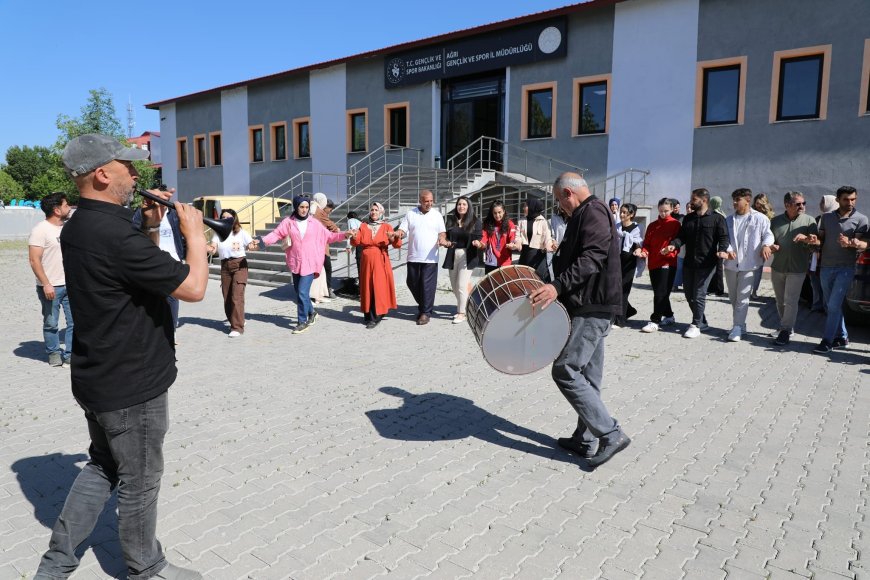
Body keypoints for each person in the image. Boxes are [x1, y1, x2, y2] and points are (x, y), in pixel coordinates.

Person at [35, 133, 208, 580]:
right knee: (141, 480)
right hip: (134, 383)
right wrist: (194, 235)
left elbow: (131, 270)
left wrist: (150, 226)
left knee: (103, 464)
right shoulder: (113, 233)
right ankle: (146, 567)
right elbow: (193, 289)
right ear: (101, 173)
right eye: (128, 167)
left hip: (98, 375)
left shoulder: (79, 225)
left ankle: (57, 562)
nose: (137, 176)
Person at [529, 172, 630, 468]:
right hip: (591, 304)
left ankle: (611, 433)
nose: (561, 208)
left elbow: (592, 257)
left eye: (560, 202)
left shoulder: (594, 211)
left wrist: (557, 286)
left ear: (568, 194)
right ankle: (584, 438)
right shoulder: (588, 213)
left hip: (593, 305)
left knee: (565, 370)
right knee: (588, 376)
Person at [258, 195, 352, 334]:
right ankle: (312, 313)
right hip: (296, 262)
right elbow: (276, 234)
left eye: (307, 207)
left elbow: (329, 236)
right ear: (296, 207)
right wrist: (262, 241)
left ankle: (302, 321)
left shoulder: (314, 223)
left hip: (310, 263)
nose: (304, 210)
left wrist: (344, 235)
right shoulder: (288, 222)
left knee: (302, 292)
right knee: (300, 292)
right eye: (301, 207)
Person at [797, 186, 868, 353]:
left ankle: (827, 341)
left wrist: (852, 244)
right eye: (846, 199)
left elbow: (862, 245)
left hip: (846, 269)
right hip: (826, 268)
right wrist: (813, 240)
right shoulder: (826, 218)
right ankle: (842, 337)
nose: (850, 202)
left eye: (853, 199)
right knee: (830, 306)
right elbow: (821, 240)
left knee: (834, 305)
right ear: (837, 200)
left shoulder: (861, 219)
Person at [664, 188, 729, 338]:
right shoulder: (689, 219)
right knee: (689, 294)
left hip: (707, 264)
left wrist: (723, 250)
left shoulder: (717, 218)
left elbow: (724, 238)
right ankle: (703, 321)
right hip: (689, 263)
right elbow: (682, 237)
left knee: (699, 293)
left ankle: (695, 325)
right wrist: (674, 244)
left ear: (704, 200)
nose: (691, 202)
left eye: (694, 199)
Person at [721, 188, 774, 342]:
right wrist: (728, 249)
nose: (734, 203)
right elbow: (724, 239)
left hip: (750, 264)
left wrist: (766, 245)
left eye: (738, 199)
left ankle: (737, 327)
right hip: (731, 264)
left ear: (747, 200)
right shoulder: (729, 220)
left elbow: (768, 235)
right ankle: (741, 324)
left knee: (743, 297)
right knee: (733, 297)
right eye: (734, 199)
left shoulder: (761, 218)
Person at [28, 192, 74, 367]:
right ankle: (54, 353)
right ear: (56, 210)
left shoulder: (67, 228)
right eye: (65, 205)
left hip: (70, 284)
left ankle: (70, 355)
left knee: (74, 322)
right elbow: (34, 260)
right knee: (51, 323)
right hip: (50, 286)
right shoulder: (40, 230)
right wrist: (46, 284)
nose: (68, 207)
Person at [132, 191, 186, 338]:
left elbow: (181, 235)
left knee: (173, 298)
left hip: (173, 259)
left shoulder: (173, 214)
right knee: (155, 297)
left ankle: (171, 330)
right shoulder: (142, 213)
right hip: (154, 260)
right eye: (160, 199)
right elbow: (137, 232)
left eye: (166, 199)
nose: (163, 202)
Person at [768, 191, 818, 346]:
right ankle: (787, 326)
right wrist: (772, 246)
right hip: (778, 267)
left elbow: (816, 244)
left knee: (791, 301)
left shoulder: (809, 221)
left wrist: (809, 239)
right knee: (780, 301)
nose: (802, 206)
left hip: (798, 268)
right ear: (787, 205)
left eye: (804, 203)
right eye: (798, 204)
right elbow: (769, 241)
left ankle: (785, 330)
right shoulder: (775, 221)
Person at [392, 190, 446, 325]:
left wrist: (442, 239)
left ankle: (425, 313)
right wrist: (398, 233)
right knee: (412, 282)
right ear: (420, 201)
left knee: (427, 286)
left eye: (431, 201)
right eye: (426, 201)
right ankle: (424, 305)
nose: (429, 203)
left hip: (430, 258)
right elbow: (403, 230)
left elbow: (442, 233)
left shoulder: (437, 215)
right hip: (413, 256)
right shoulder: (411, 213)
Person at [206, 209, 258, 337]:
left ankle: (237, 327)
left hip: (240, 265)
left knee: (237, 296)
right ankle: (236, 320)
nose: (225, 219)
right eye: (223, 217)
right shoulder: (218, 233)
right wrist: (199, 242)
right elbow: (213, 250)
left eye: (228, 217)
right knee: (227, 297)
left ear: (234, 219)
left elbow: (252, 245)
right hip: (225, 267)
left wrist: (253, 246)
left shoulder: (241, 233)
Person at [351, 202, 401, 328]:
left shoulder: (386, 226)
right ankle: (368, 315)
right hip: (366, 260)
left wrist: (393, 237)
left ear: (381, 212)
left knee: (378, 287)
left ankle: (377, 315)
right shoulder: (363, 226)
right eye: (372, 210)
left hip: (380, 259)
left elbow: (397, 244)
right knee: (367, 286)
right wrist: (354, 235)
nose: (373, 212)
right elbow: (356, 242)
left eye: (376, 210)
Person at [635, 198, 681, 332]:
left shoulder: (675, 224)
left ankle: (655, 320)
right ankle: (669, 316)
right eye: (661, 211)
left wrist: (670, 251)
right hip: (653, 263)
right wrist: (644, 252)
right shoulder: (652, 225)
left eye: (666, 211)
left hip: (668, 263)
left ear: (672, 209)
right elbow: (647, 243)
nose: (663, 213)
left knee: (661, 292)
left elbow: (677, 243)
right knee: (660, 292)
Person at [442, 196, 482, 323]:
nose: (461, 206)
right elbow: (446, 236)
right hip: (453, 254)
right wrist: (445, 241)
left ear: (468, 206)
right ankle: (470, 306)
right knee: (454, 286)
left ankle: (462, 313)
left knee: (461, 285)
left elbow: (479, 236)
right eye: (459, 204)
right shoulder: (451, 220)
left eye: (464, 204)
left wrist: (477, 242)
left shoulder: (475, 221)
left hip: (467, 254)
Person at [614, 203, 642, 327]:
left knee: (624, 291)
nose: (622, 214)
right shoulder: (617, 227)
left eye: (625, 212)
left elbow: (639, 243)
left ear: (631, 214)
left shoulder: (636, 229)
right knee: (615, 290)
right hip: (616, 262)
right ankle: (629, 310)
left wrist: (639, 250)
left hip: (629, 264)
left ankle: (620, 321)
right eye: (621, 212)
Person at [472, 200, 519, 275]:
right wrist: (479, 244)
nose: (497, 215)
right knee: (490, 286)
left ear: (504, 211)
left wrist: (512, 245)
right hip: (491, 262)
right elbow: (483, 240)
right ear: (492, 213)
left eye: (499, 212)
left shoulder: (510, 224)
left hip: (505, 263)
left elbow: (512, 238)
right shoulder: (487, 224)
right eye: (495, 213)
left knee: (504, 286)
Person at [809, 195, 838, 312]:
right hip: (816, 256)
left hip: (828, 257)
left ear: (830, 203)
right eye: (821, 201)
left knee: (827, 285)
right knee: (815, 282)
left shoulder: (835, 219)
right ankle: (817, 305)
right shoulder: (818, 218)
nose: (820, 204)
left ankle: (827, 308)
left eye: (823, 202)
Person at [517, 196, 552, 282]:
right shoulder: (521, 221)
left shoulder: (543, 222)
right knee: (523, 280)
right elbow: (517, 236)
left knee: (537, 281)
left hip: (537, 256)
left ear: (532, 207)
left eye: (525, 206)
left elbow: (548, 238)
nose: (523, 208)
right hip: (524, 255)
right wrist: (517, 242)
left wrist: (549, 246)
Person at [750, 193, 775, 300]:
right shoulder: (750, 213)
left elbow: (771, 232)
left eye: (761, 204)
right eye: (756, 203)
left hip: (763, 245)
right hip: (751, 244)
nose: (758, 206)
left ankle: (754, 291)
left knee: (758, 269)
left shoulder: (770, 216)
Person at [706, 196, 727, 297]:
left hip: (718, 247)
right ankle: (712, 288)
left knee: (718, 269)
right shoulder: (721, 214)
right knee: (713, 268)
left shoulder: (719, 215)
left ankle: (719, 290)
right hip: (715, 246)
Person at [670, 198, 686, 291]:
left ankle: (677, 283)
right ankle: (672, 283)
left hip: (679, 244)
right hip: (669, 243)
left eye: (678, 207)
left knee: (679, 265)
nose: (677, 209)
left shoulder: (682, 217)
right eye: (675, 207)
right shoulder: (668, 217)